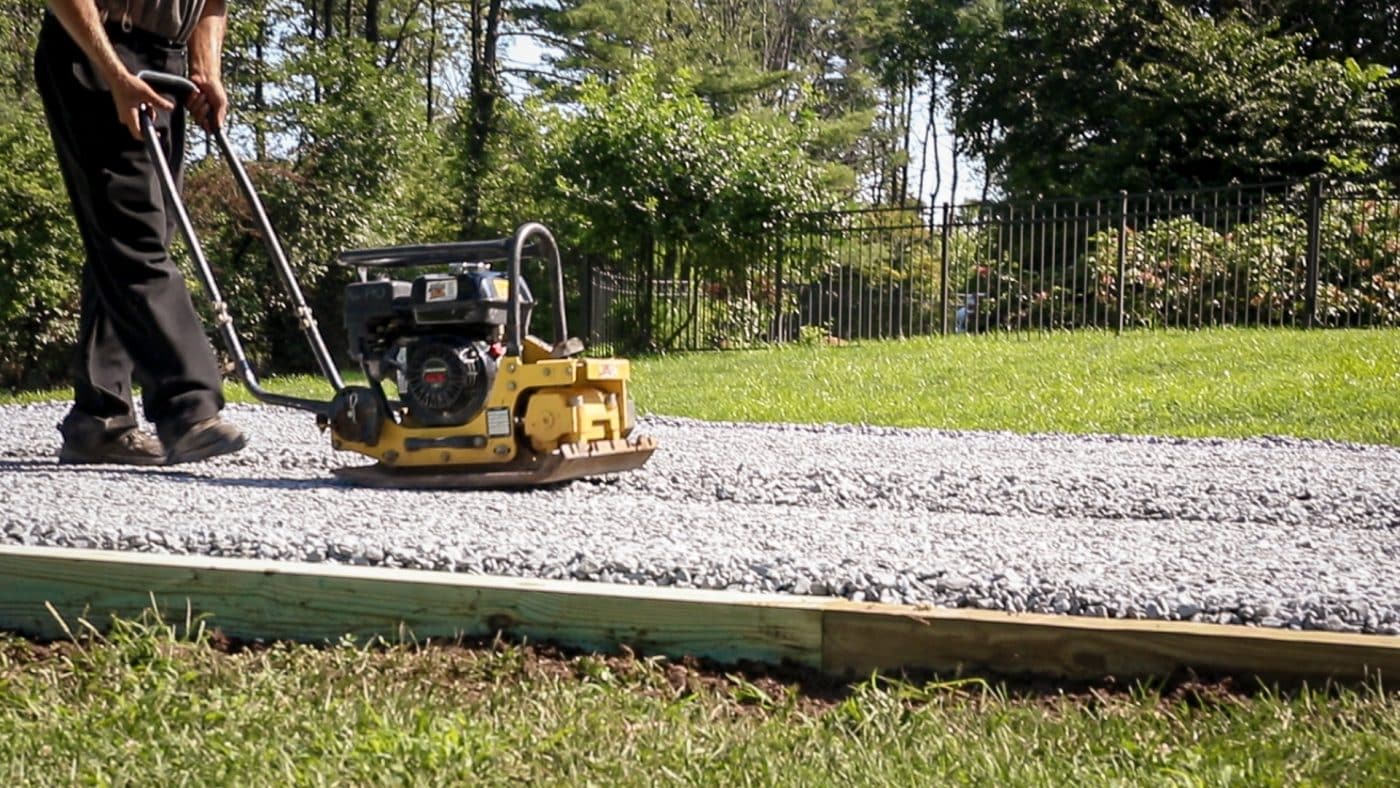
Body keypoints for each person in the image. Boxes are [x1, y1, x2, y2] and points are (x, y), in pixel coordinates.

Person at [35, 0, 246, 466]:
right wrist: (113, 74)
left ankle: (99, 420)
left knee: (134, 237)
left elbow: (212, 2)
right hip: (96, 49)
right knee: (135, 239)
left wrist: (206, 68)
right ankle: (189, 410)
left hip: (166, 62)